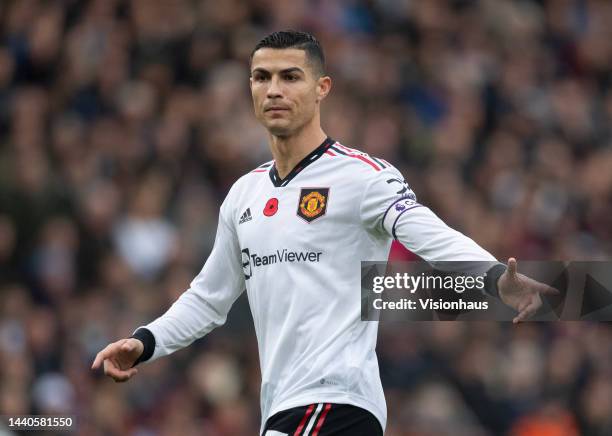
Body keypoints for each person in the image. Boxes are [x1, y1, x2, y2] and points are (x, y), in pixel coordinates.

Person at [92, 30, 558, 436]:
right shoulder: (243, 195)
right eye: (262, 77)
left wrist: (493, 275)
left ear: (322, 88)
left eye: (290, 76)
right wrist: (147, 342)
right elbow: (208, 298)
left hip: (336, 401)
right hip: (283, 406)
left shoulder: (362, 177)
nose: (274, 89)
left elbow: (425, 230)